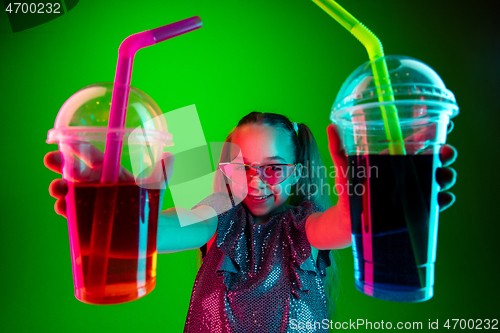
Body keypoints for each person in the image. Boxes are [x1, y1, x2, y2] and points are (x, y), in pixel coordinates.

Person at [44, 112, 457, 332]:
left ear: (297, 172)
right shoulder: (217, 217)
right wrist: (110, 209)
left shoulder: (303, 228)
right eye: (241, 167)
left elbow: (348, 226)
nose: (256, 182)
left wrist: (372, 195)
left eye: (274, 169)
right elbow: (152, 234)